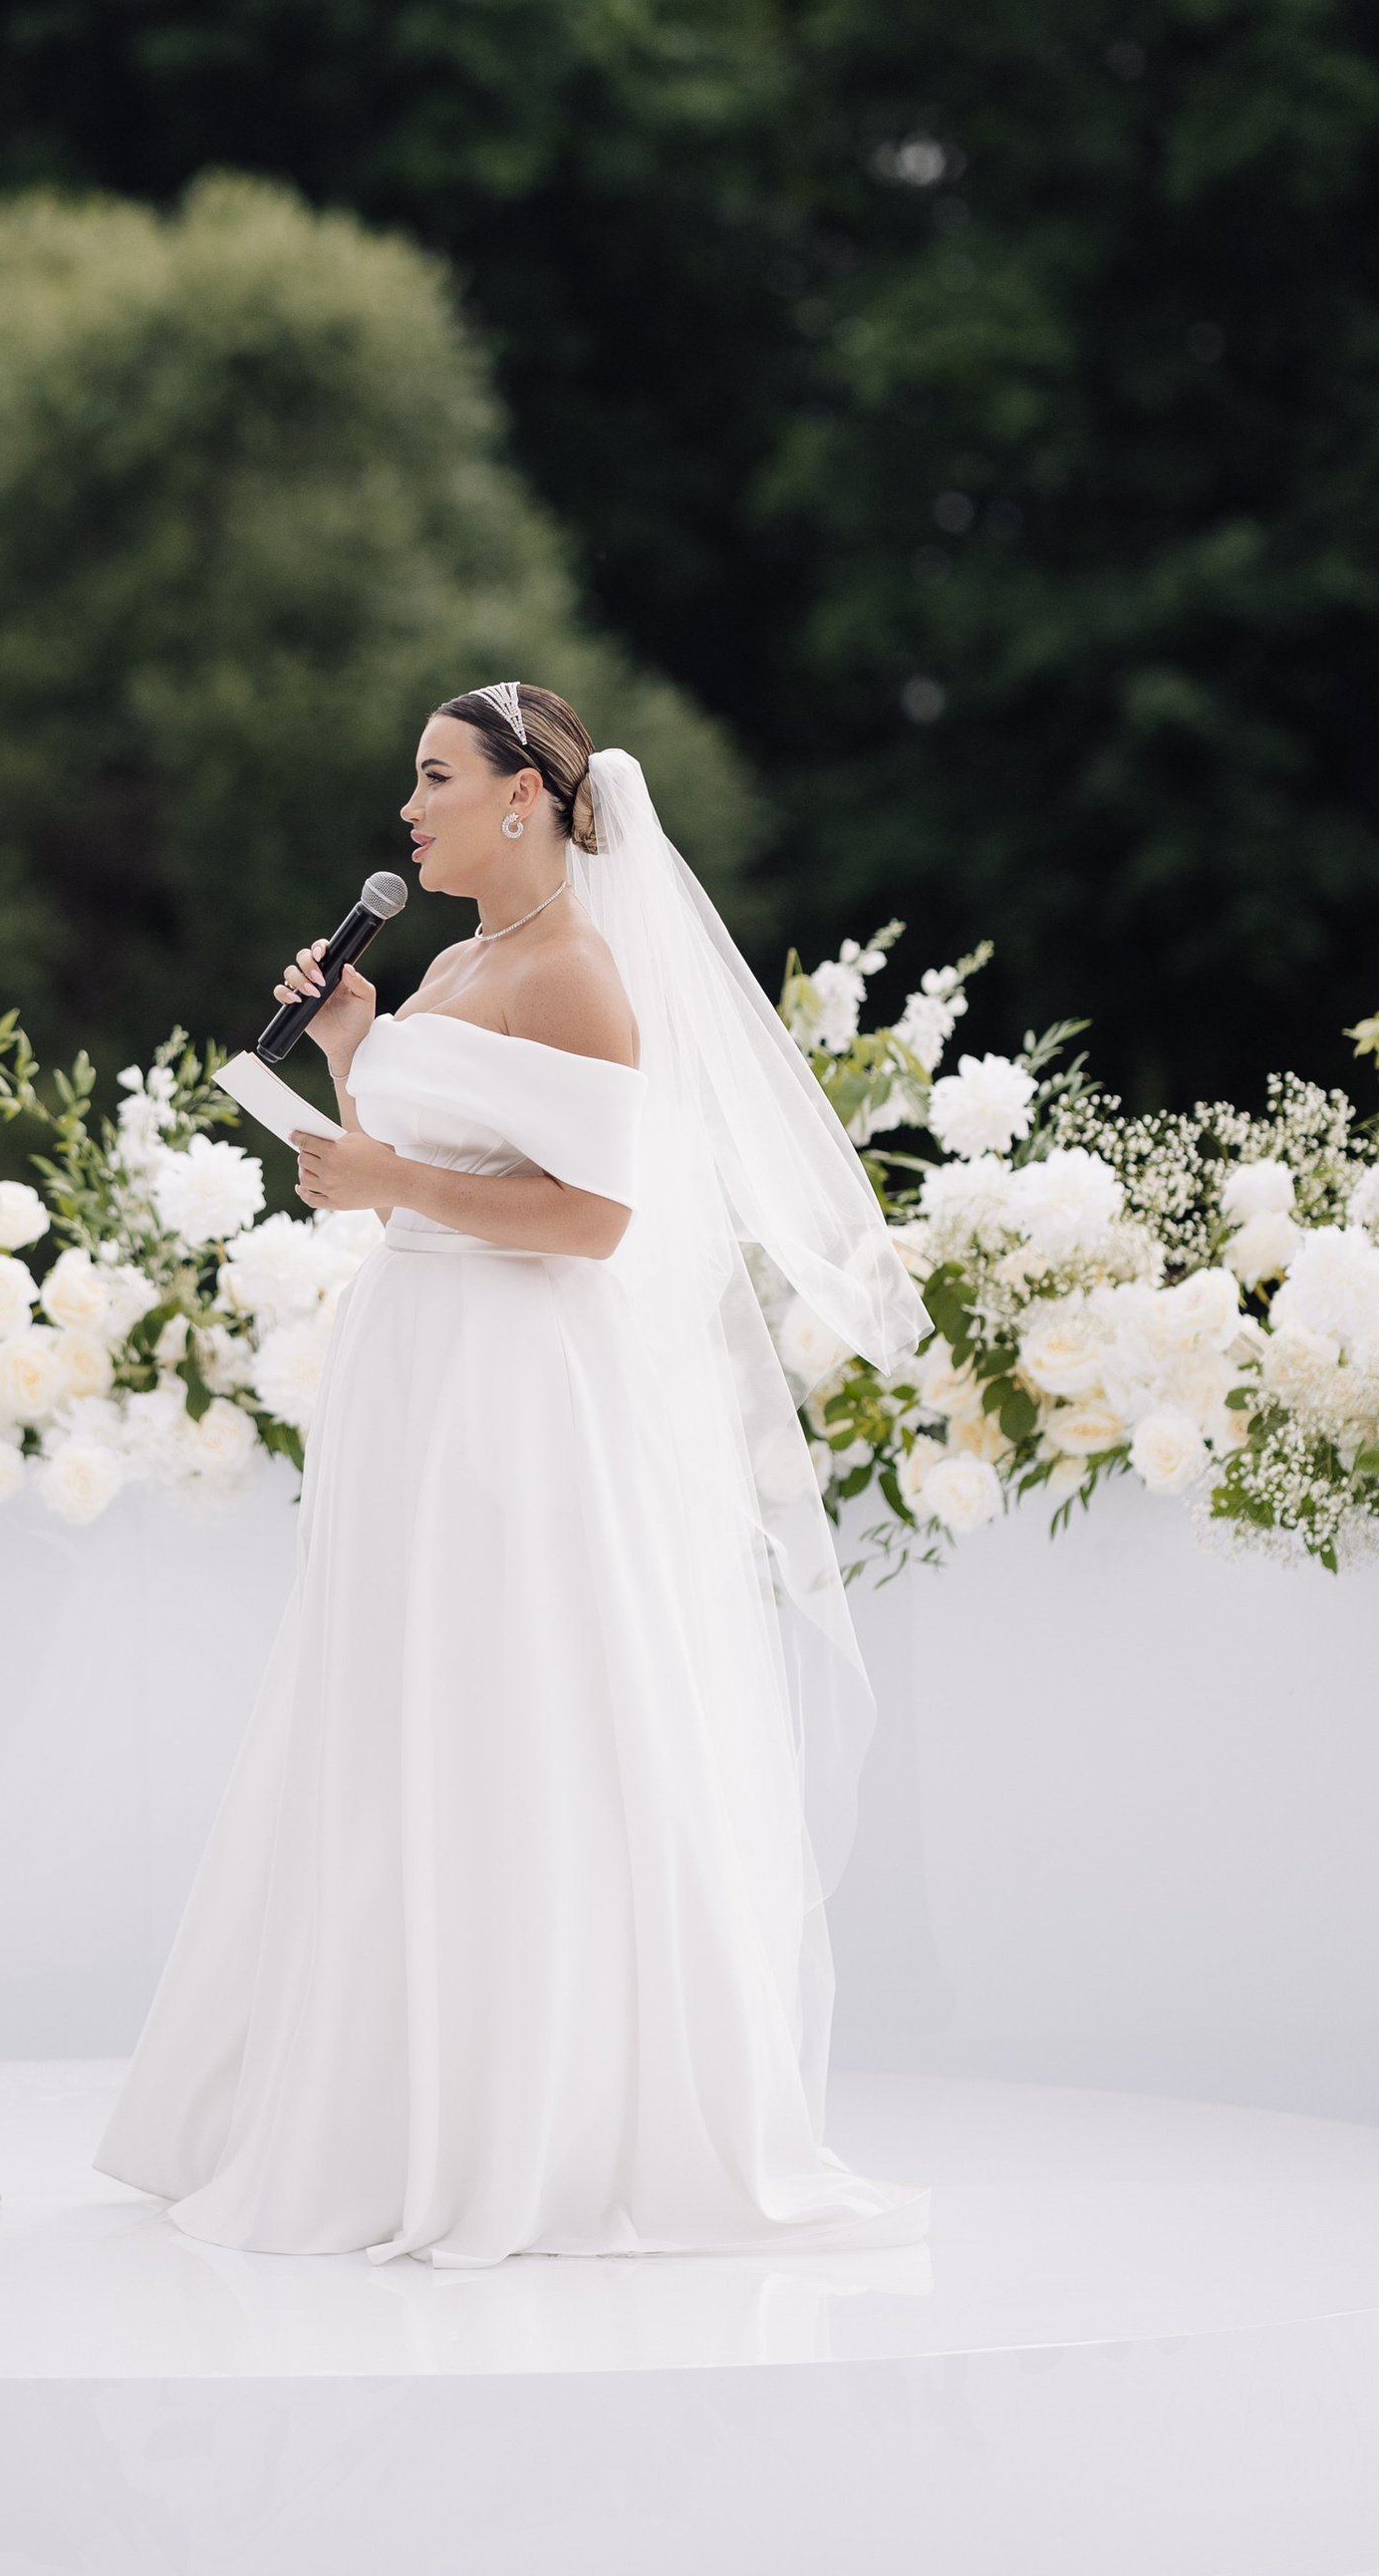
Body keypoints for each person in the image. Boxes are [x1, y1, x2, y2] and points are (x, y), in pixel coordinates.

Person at [98, 680, 930, 2266]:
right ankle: (379, 2091)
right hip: (416, 1363)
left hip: (511, 1389)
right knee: (396, 1702)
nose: (405, 810)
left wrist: (390, 1169)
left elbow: (594, 1218)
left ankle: (524, 2116)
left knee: (503, 1704)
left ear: (526, 797)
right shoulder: (457, 959)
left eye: (433, 777)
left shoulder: (575, 973)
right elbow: (413, 1162)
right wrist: (351, 1042)